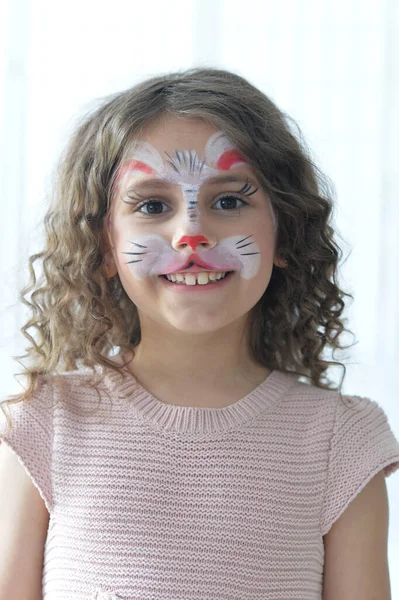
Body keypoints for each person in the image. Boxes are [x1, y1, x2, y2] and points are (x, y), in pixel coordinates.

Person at [0, 67, 398, 600]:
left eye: (229, 201)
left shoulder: (342, 443)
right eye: (152, 205)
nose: (191, 233)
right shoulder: (43, 423)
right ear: (103, 247)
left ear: (286, 233)